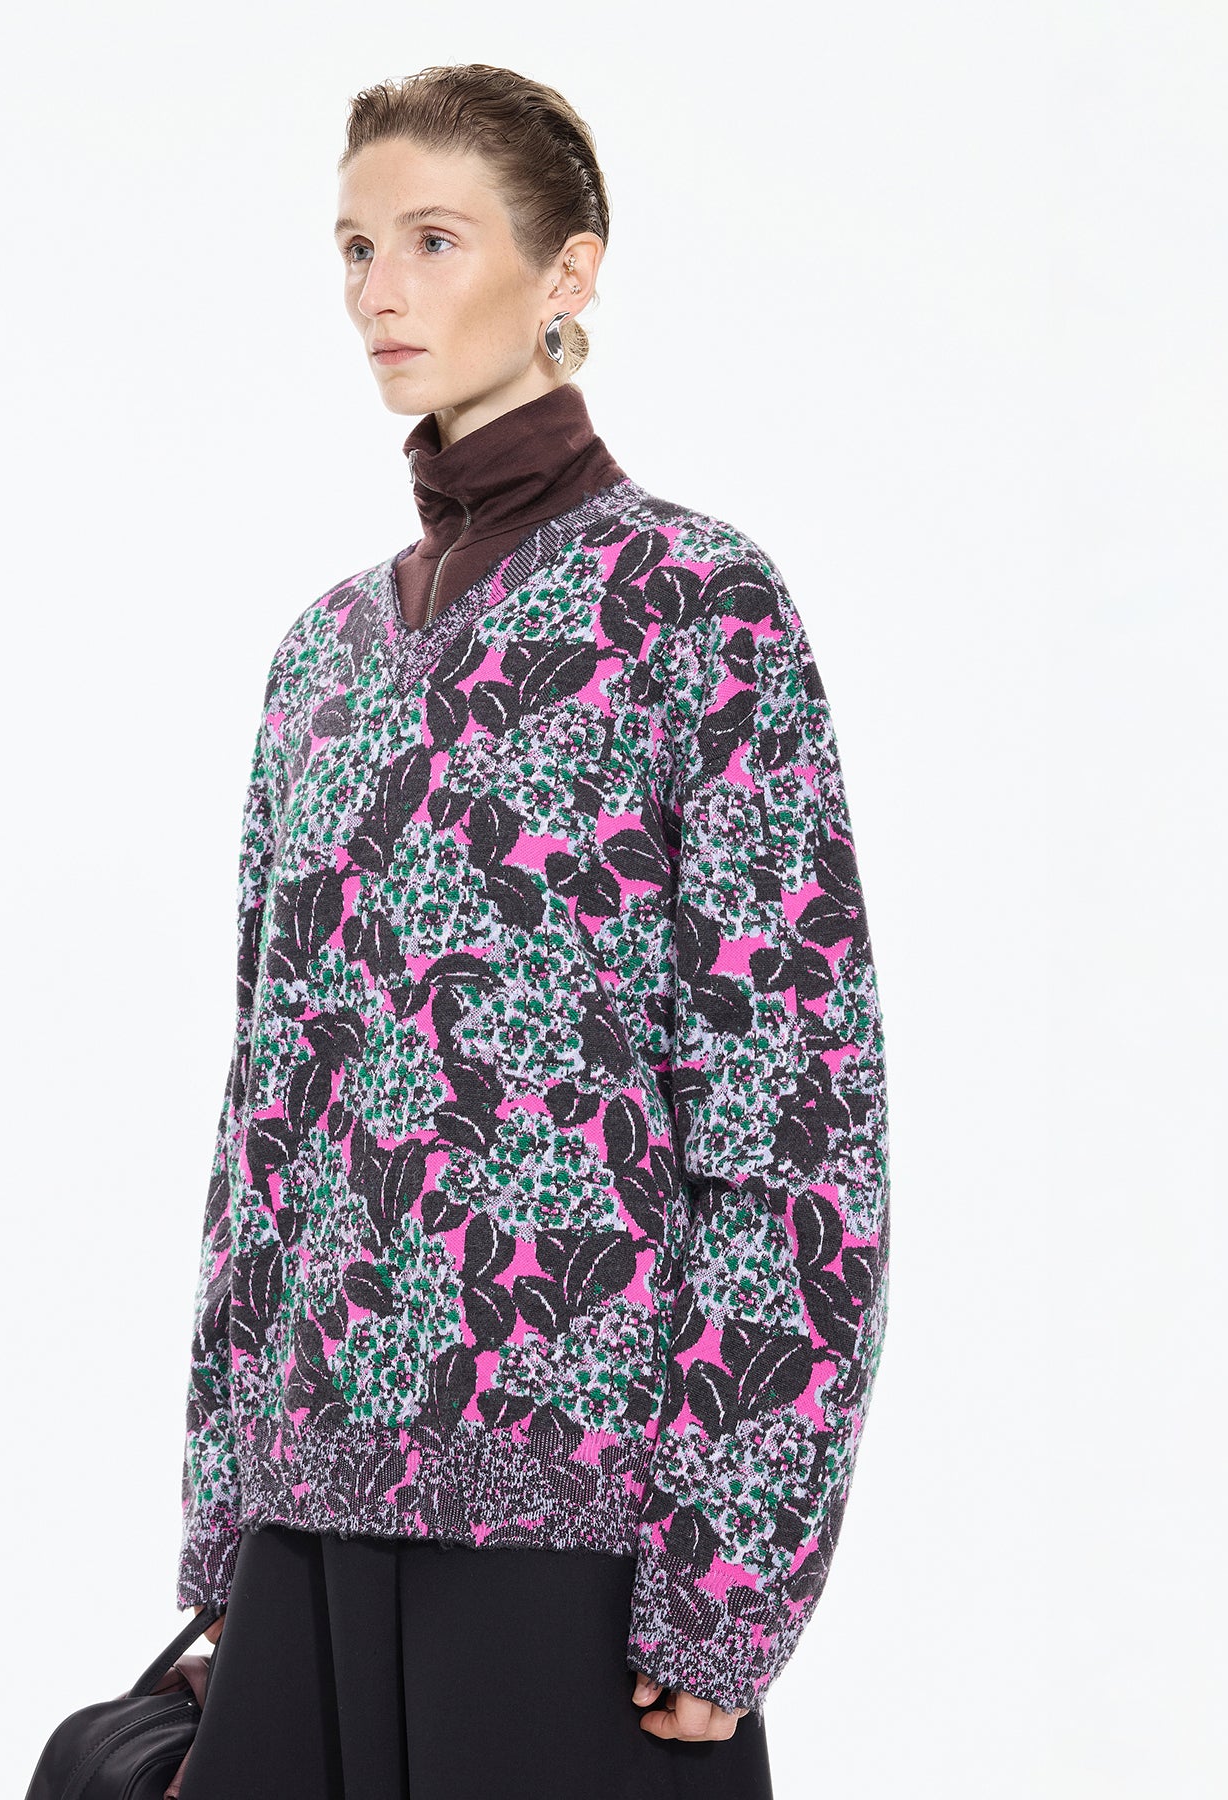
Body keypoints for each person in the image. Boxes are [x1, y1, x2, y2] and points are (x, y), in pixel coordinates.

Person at [171, 62, 890, 1800]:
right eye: (356, 248)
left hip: (585, 1532)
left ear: (568, 271)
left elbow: (796, 1113)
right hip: (306, 1524)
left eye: (434, 239)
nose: (381, 291)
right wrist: (221, 1527)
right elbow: (271, 1115)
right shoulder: (321, 656)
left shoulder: (696, 604)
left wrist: (732, 1572)